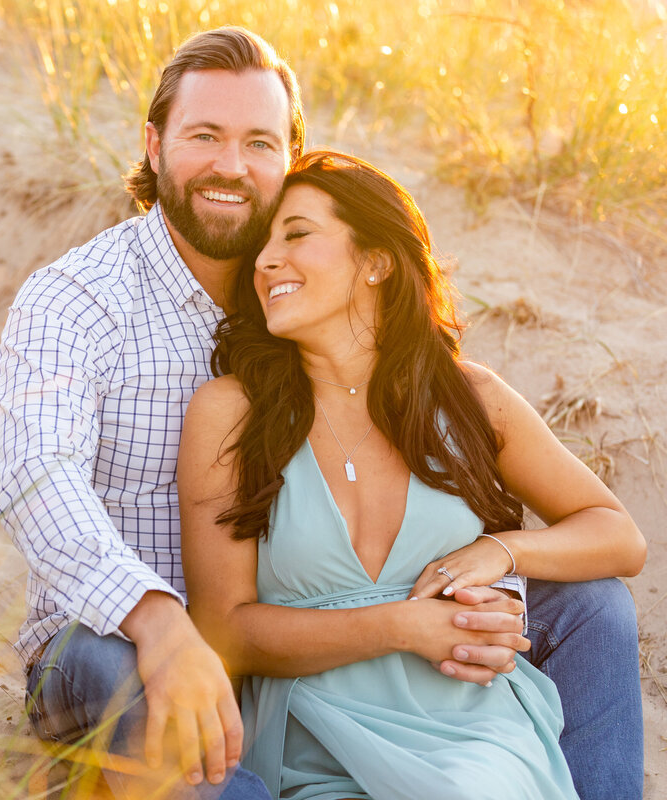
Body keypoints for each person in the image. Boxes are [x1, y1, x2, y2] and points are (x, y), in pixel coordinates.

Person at [0, 25, 644, 800]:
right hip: (122, 641)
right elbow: (39, 479)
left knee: (591, 604)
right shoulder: (80, 300)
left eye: (258, 143)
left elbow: (608, 533)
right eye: (204, 135)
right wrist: (157, 618)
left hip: (325, 636)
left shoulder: (306, 298)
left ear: (287, 158)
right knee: (138, 683)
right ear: (155, 144)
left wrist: (498, 554)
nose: (231, 166)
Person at [178, 150, 647, 799]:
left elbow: (619, 536)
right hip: (317, 740)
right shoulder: (230, 411)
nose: (263, 261)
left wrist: (499, 549)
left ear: (377, 260)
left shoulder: (468, 397)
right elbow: (224, 628)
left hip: (475, 736)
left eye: (297, 234)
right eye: (261, 245)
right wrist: (403, 625)